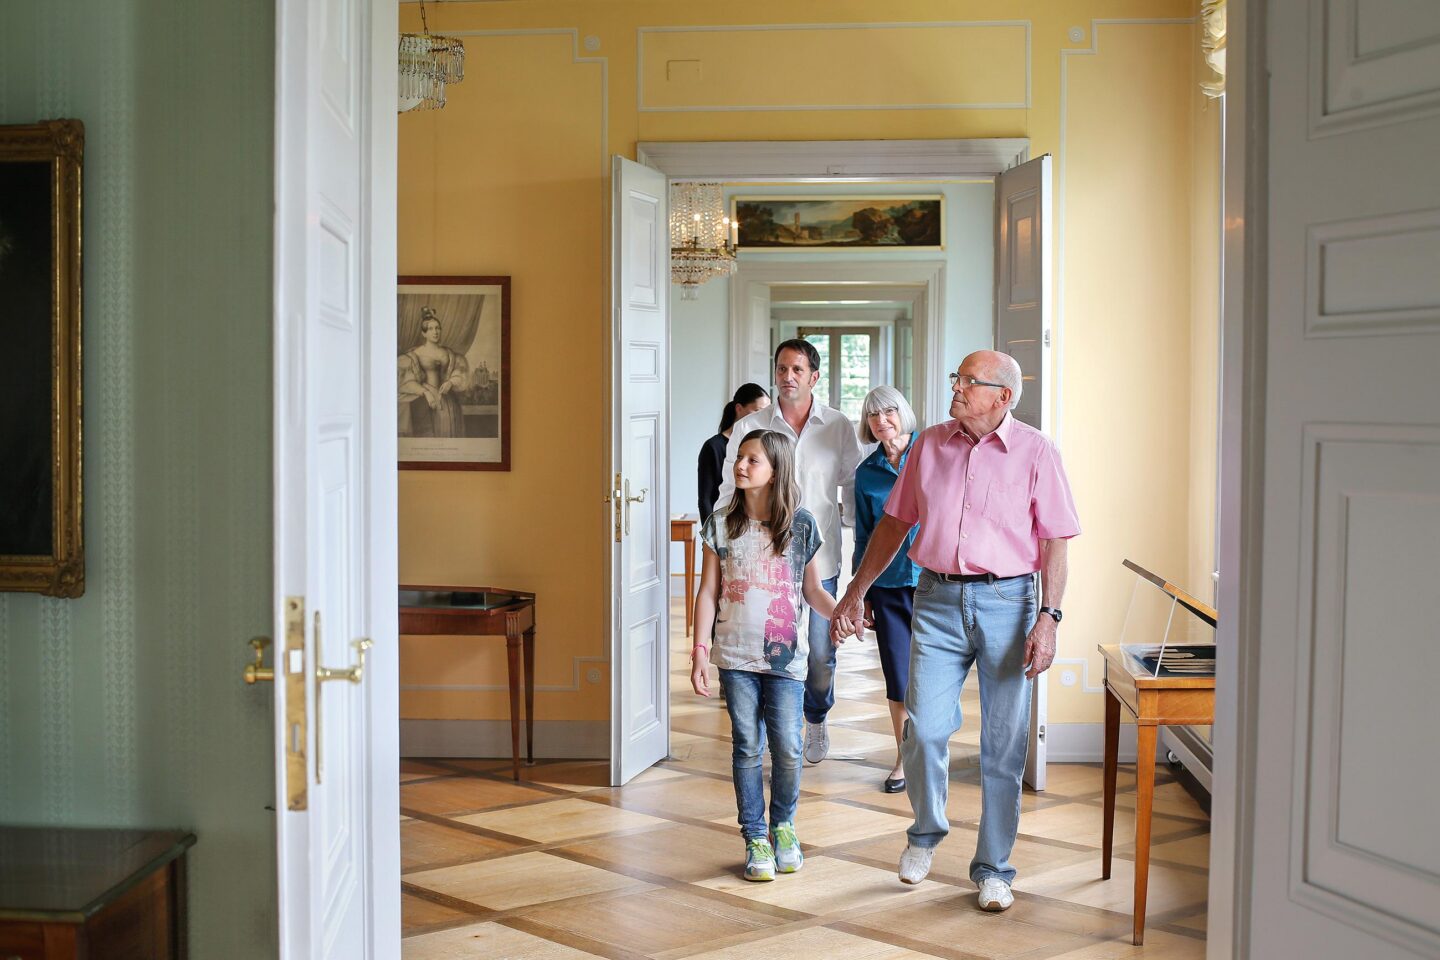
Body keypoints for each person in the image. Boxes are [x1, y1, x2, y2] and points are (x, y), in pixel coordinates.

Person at [832, 350, 1080, 913]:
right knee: (923, 728)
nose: (958, 388)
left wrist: (1050, 616)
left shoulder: (1038, 451)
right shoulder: (929, 445)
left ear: (1003, 396)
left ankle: (994, 868)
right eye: (957, 378)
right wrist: (855, 591)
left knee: (1003, 744)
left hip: (1010, 602)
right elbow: (896, 523)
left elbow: (1056, 540)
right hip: (937, 598)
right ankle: (926, 831)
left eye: (971, 381)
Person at [690, 429, 837, 882]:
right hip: (734, 657)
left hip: (786, 659)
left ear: (776, 471)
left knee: (789, 748)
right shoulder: (720, 523)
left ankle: (784, 827)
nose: (740, 466)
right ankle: (755, 835)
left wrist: (844, 614)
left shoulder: (802, 526)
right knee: (748, 746)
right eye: (739, 458)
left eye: (752, 460)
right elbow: (708, 591)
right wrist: (699, 652)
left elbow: (813, 590)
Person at [714, 339, 864, 766]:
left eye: (798, 370)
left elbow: (852, 483)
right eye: (782, 368)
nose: (788, 376)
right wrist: (724, 547)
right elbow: (731, 486)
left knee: (819, 654)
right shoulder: (752, 426)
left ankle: (815, 716)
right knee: (761, 654)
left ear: (814, 377)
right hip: (760, 562)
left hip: (819, 558)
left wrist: (853, 530)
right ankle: (764, 736)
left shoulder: (837, 425)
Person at [851, 385, 921, 794]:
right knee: (898, 677)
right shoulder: (866, 473)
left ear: (903, 413)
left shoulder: (929, 454)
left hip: (935, 582)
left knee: (932, 675)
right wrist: (862, 592)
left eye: (889, 412)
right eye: (873, 415)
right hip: (889, 586)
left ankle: (931, 752)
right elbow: (863, 537)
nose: (882, 421)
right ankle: (905, 757)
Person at [697, 383, 770, 522]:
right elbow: (705, 499)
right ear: (739, 409)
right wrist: (713, 534)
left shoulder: (765, 446)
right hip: (726, 523)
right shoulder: (713, 446)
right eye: (759, 412)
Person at [398, 306, 470, 438]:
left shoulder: (448, 353)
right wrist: (425, 392)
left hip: (448, 401)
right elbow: (407, 380)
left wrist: (451, 382)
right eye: (430, 329)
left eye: (437, 328)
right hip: (424, 401)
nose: (435, 332)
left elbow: (460, 371)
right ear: (423, 333)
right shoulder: (415, 354)